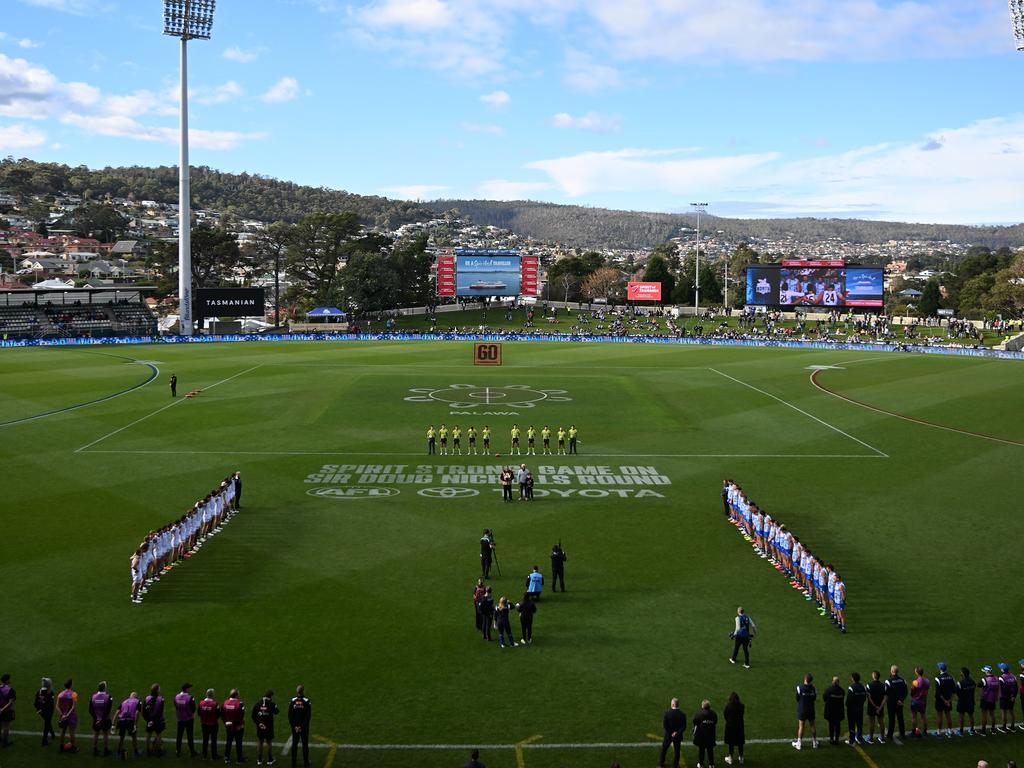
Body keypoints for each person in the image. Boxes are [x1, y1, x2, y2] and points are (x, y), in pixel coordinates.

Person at [658, 697, 686, 768]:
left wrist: (671, 733)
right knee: (677, 751)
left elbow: (665, 725)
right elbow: (684, 726)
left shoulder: (667, 713)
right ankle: (675, 766)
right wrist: (676, 733)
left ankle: (661, 764)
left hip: (668, 735)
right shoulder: (682, 714)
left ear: (673, 704)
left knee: (664, 749)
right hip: (678, 736)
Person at [252, 689, 279, 765]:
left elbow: (253, 716)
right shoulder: (272, 704)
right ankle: (270, 759)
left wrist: (259, 723)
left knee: (260, 742)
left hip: (260, 727)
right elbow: (277, 712)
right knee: (269, 742)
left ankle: (259, 760)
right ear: (270, 696)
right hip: (269, 727)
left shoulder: (257, 704)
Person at [288, 685, 312, 768]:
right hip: (304, 728)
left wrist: (295, 726)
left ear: (297, 691)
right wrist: (301, 726)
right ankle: (306, 763)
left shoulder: (292, 701)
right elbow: (308, 717)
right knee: (305, 745)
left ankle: (293, 763)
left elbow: (290, 716)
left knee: (294, 744)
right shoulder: (307, 701)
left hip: (295, 728)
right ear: (303, 691)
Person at [793, 673, 818, 750]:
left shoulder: (799, 688)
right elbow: (814, 698)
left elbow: (797, 698)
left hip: (802, 709)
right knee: (812, 725)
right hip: (811, 709)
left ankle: (799, 744)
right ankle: (814, 743)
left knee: (801, 726)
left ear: (805, 679)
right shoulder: (813, 688)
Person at [89, 681, 113, 757]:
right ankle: (105, 750)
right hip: (105, 719)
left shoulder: (93, 697)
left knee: (96, 734)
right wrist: (101, 719)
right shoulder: (108, 697)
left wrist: (97, 719)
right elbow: (108, 710)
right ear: (104, 688)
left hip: (96, 719)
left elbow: (90, 710)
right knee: (105, 734)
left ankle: (94, 749)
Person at [885, 665, 908, 744]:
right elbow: (905, 692)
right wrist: (901, 700)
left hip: (891, 703)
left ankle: (890, 735)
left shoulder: (888, 681)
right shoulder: (903, 680)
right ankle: (902, 734)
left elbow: (888, 694)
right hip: (900, 703)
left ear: (891, 671)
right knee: (900, 717)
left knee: (892, 719)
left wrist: (895, 700)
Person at [222, 688, 246, 764]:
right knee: (238, 743)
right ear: (236, 695)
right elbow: (241, 717)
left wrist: (226, 722)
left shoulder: (225, 703)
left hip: (229, 727)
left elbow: (222, 714)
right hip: (238, 727)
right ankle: (239, 759)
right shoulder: (240, 704)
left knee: (228, 742)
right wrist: (233, 723)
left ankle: (226, 758)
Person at [692, 698, 718, 768]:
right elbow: (715, 722)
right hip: (710, 735)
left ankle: (701, 764)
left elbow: (695, 722)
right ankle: (711, 764)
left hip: (702, 736)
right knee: (710, 750)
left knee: (701, 750)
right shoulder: (714, 714)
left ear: (702, 706)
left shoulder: (699, 713)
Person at [115, 691, 141, 760]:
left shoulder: (124, 701)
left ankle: (118, 751)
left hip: (122, 721)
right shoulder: (137, 701)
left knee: (121, 737)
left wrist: (113, 723)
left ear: (130, 696)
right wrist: (135, 724)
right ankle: (136, 752)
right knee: (134, 736)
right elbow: (137, 713)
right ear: (136, 696)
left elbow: (117, 712)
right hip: (130, 721)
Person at [174, 682, 197, 758]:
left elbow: (175, 706)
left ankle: (178, 751)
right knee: (190, 735)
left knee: (179, 735)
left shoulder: (176, 697)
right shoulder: (190, 698)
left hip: (180, 719)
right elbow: (193, 709)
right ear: (187, 689)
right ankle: (192, 751)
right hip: (188, 719)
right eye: (189, 688)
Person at [142, 682, 165, 756]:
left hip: (150, 720)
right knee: (158, 735)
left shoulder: (147, 698)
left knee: (149, 734)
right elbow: (161, 711)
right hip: (158, 720)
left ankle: (148, 750)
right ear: (157, 690)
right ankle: (159, 751)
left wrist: (148, 720)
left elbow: (144, 712)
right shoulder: (161, 699)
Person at [934, 662, 956, 737]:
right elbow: (954, 691)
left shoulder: (938, 678)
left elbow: (938, 693)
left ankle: (939, 732)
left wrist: (944, 701)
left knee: (940, 715)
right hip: (948, 699)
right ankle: (949, 730)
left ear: (940, 669)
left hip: (940, 700)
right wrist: (949, 701)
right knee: (948, 715)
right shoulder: (951, 677)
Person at [198, 688, 221, 760]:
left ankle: (204, 755)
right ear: (212, 695)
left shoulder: (201, 703)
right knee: (213, 740)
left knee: (205, 739)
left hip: (204, 724)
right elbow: (218, 714)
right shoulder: (215, 704)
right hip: (213, 724)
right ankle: (214, 755)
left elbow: (199, 713)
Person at [56, 679, 78, 753]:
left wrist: (62, 715)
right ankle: (73, 747)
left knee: (62, 731)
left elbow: (57, 706)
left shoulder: (60, 694)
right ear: (71, 685)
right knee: (72, 732)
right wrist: (67, 715)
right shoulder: (74, 694)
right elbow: (73, 707)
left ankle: (61, 746)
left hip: (63, 716)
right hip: (71, 716)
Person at [723, 692, 745, 765]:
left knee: (731, 743)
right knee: (740, 743)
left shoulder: (728, 707)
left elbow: (725, 715)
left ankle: (730, 758)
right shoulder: (741, 706)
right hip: (739, 727)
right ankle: (741, 758)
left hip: (730, 727)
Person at [824, 676, 845, 745]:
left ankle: (831, 739)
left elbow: (824, 698)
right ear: (838, 682)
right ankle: (837, 739)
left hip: (830, 711)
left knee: (831, 725)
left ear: (833, 682)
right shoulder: (842, 691)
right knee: (838, 725)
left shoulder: (829, 690)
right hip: (838, 711)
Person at [866, 670, 886, 743]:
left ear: (873, 676)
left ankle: (871, 738)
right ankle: (882, 738)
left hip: (872, 707)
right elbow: (885, 698)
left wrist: (875, 706)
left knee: (872, 722)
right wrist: (880, 707)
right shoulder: (883, 685)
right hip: (880, 706)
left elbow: (869, 697)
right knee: (881, 721)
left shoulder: (869, 685)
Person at [846, 672, 867, 745]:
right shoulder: (863, 687)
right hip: (860, 708)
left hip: (852, 709)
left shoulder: (851, 688)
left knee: (852, 725)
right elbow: (864, 698)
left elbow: (849, 700)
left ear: (853, 679)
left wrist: (848, 707)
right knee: (859, 724)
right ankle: (859, 738)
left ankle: (851, 741)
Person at [34, 677, 55, 747]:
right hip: (48, 711)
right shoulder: (50, 693)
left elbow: (35, 703)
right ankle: (44, 741)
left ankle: (53, 734)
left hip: (41, 711)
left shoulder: (39, 691)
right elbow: (51, 704)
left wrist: (38, 710)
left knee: (47, 722)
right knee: (47, 724)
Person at [957, 667, 978, 736]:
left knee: (961, 716)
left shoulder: (960, 683)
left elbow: (957, 692)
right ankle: (972, 730)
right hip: (970, 701)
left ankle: (961, 731)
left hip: (962, 702)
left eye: (961, 672)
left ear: (963, 674)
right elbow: (974, 688)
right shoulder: (973, 681)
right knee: (971, 716)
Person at [910, 666, 930, 737]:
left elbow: (912, 692)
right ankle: (925, 731)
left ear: (916, 673)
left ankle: (913, 732)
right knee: (923, 716)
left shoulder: (915, 682)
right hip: (923, 701)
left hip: (915, 701)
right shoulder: (927, 681)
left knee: (914, 717)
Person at [998, 662, 1018, 732]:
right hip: (1012, 698)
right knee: (1011, 711)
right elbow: (1016, 687)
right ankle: (1012, 727)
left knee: (1004, 712)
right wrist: (1013, 696)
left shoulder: (1001, 678)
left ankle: (1004, 728)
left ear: (1003, 670)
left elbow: (1003, 690)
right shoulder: (1013, 676)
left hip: (1004, 698)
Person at [980, 665, 1000, 735]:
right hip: (993, 699)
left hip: (985, 699)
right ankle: (993, 729)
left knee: (984, 715)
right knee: (992, 714)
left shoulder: (984, 679)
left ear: (987, 672)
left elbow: (979, 685)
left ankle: (983, 731)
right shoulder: (997, 678)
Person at [0, 673, 14, 747]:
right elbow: (10, 702)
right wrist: (2, 709)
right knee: (6, 726)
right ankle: (5, 742)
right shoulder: (9, 690)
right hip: (6, 711)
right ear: (7, 680)